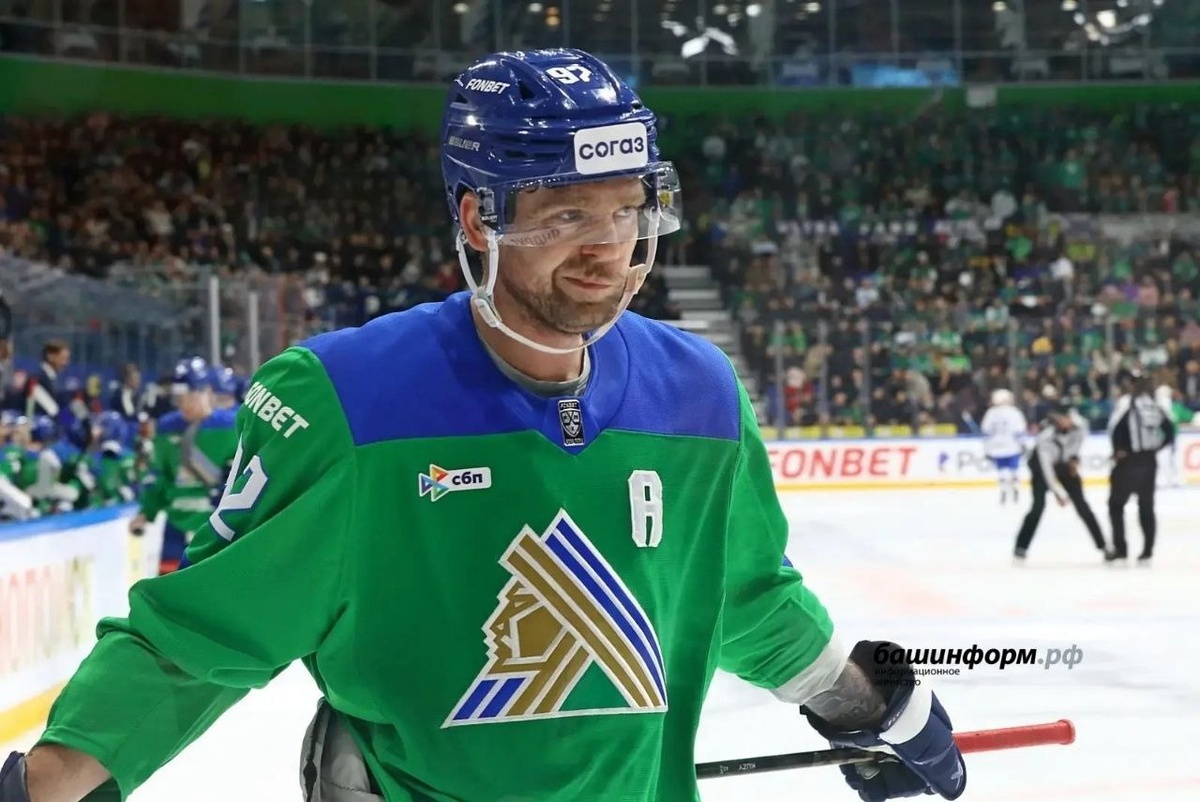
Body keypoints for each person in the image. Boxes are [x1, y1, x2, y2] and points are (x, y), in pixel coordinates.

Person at [1, 49, 966, 802]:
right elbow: (203, 634)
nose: (608, 250)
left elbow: (742, 593)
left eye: (627, 212)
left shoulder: (703, 394)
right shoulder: (349, 401)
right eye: (567, 216)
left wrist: (866, 706)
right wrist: (48, 784)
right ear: (477, 218)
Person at [128, 356, 239, 574]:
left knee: (216, 587)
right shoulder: (167, 428)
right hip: (176, 527)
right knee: (169, 588)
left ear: (207, 391)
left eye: (191, 395)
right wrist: (146, 512)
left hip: (218, 527)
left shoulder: (232, 426)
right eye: (179, 397)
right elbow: (159, 475)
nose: (184, 404)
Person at [1013, 390, 1106, 563]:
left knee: (1082, 505)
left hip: (1065, 464)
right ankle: (1021, 547)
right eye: (1062, 417)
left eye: (1069, 416)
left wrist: (1073, 459)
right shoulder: (1045, 438)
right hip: (1041, 468)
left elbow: (1077, 445)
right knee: (1037, 507)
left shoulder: (1081, 427)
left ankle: (1104, 546)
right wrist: (1058, 493)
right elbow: (1047, 471)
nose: (1066, 421)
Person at [1106, 371, 1175, 565]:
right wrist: (1154, 448)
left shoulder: (1127, 403)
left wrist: (1118, 450)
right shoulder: (1156, 404)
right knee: (1146, 506)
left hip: (1129, 461)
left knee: (1116, 505)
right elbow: (1170, 431)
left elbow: (1114, 429)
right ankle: (1147, 551)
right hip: (1149, 461)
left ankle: (1121, 550)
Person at [979, 388, 1028, 504]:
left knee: (1001, 468)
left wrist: (988, 445)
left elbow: (985, 429)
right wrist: (1022, 443)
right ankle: (1015, 485)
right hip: (1012, 446)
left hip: (996, 446)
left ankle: (1003, 487)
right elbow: (1020, 429)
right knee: (1013, 467)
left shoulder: (991, 413)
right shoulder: (1014, 412)